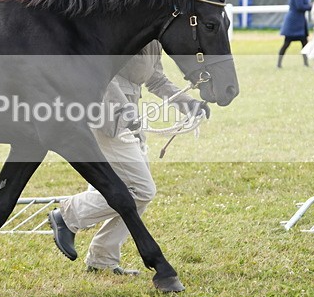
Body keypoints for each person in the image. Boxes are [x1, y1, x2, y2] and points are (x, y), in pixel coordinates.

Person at [48, 41, 208, 275]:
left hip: (130, 118)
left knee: (121, 192)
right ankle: (67, 215)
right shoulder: (121, 23)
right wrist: (122, 109)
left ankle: (102, 258)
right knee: (141, 190)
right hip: (108, 119)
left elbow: (156, 79)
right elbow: (99, 70)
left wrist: (188, 104)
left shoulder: (154, 38)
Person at [278, 0, 312, 68]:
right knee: (287, 43)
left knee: (304, 43)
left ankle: (306, 64)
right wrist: (312, 6)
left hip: (299, 21)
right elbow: (300, 6)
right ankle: (279, 64)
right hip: (294, 22)